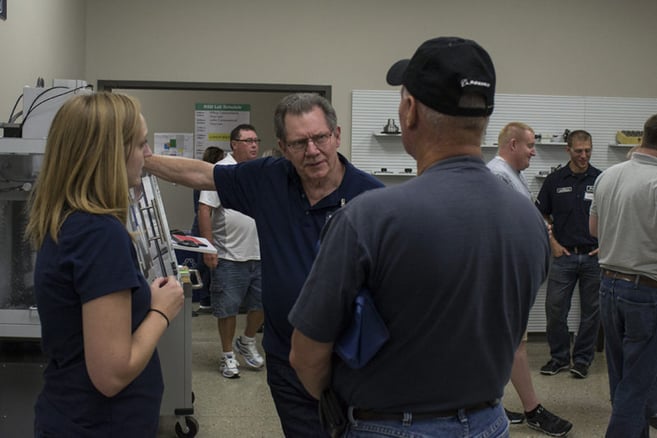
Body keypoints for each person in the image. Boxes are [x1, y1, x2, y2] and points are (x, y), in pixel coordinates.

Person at [288, 36, 550, 437]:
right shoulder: (529, 221)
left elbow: (306, 356)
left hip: (389, 426)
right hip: (490, 423)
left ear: (409, 111)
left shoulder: (367, 217)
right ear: (484, 118)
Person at [143, 92, 384, 436]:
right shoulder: (270, 178)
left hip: (351, 363)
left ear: (337, 136)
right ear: (284, 148)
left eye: (320, 138)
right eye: (300, 143)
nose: (313, 150)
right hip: (288, 362)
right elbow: (203, 175)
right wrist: (144, 160)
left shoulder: (372, 199)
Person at [25, 92, 184, 436]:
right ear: (110, 154)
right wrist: (161, 311)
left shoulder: (68, 221)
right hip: (99, 423)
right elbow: (111, 375)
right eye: (141, 144)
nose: (148, 156)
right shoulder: (99, 233)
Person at [488, 122, 573, 436]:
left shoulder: (512, 176)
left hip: (513, 278)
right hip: (504, 278)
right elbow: (500, 231)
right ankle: (532, 409)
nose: (533, 151)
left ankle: (493, 405)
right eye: (529, 145)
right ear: (512, 145)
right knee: (513, 346)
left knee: (509, 345)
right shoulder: (498, 176)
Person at [590, 114, 657, 437]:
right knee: (638, 383)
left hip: (608, 286)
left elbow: (594, 230)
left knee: (622, 379)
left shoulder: (608, 176)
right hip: (646, 292)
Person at [198, 124, 264, 378]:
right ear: (234, 144)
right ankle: (227, 356)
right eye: (247, 140)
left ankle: (246, 341)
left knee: (263, 303)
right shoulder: (221, 172)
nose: (254, 145)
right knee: (227, 309)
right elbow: (205, 209)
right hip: (228, 255)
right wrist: (208, 246)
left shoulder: (258, 172)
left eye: (256, 140)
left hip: (260, 253)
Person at [535, 129, 602, 379]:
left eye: (588, 151)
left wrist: (605, 244)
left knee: (591, 313)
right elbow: (541, 214)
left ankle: (582, 361)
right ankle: (559, 358)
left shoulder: (601, 179)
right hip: (563, 256)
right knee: (555, 311)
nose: (584, 156)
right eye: (578, 151)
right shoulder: (554, 181)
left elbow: (614, 214)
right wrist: (551, 240)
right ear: (568, 150)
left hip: (594, 257)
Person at [189, 146, 224, 314]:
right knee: (204, 264)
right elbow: (203, 209)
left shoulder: (201, 181)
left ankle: (207, 300)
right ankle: (205, 301)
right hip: (203, 226)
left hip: (201, 225)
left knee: (205, 265)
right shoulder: (206, 182)